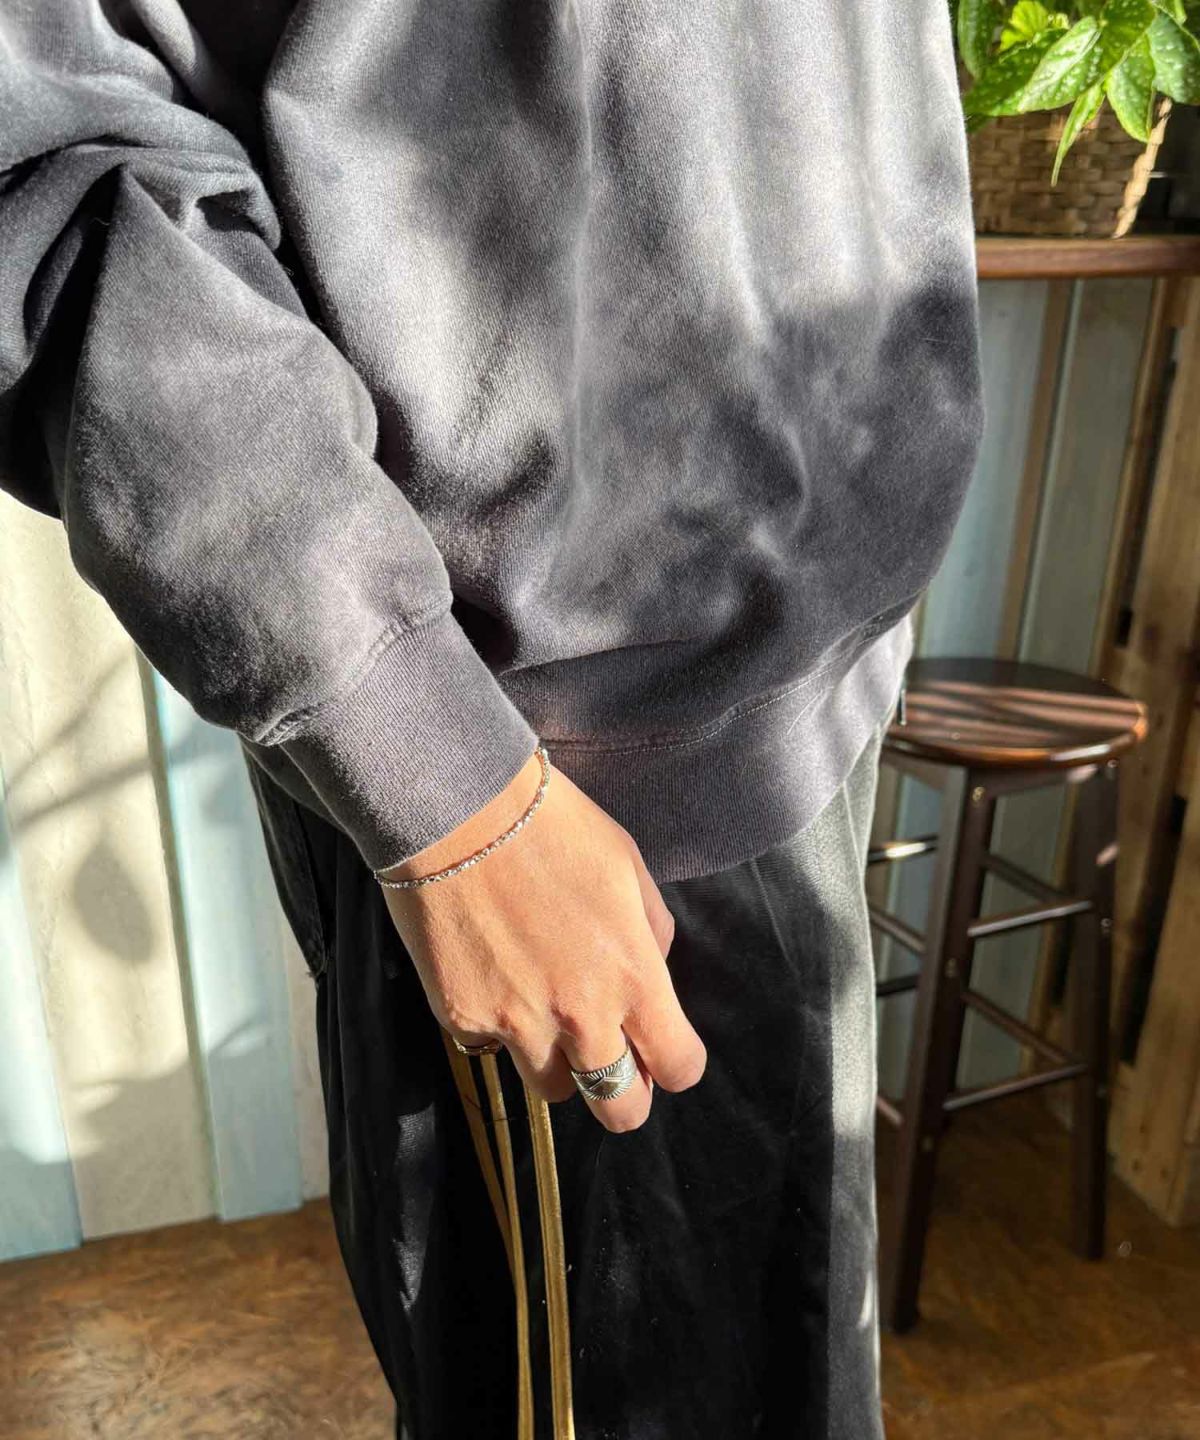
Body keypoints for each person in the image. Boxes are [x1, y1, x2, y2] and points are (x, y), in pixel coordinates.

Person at [0, 1, 984, 1435]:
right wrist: (444, 784)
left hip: (805, 687)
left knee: (791, 1381)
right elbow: (55, 153)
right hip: (551, 796)